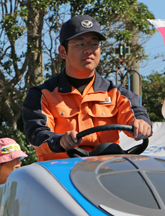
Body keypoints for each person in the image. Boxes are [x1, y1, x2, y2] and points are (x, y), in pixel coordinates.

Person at [22, 15, 152, 162]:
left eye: (94, 44)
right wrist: (60, 141)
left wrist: (141, 123)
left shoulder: (117, 94)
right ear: (63, 51)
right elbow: (37, 134)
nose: (89, 50)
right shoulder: (42, 95)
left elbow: (136, 113)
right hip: (59, 174)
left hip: (105, 172)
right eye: (80, 44)